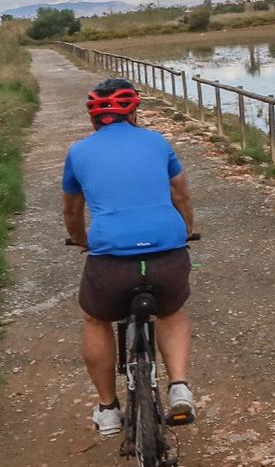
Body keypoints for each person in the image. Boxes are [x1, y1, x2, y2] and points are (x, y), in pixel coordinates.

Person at [61, 78, 198, 435]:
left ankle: (108, 409)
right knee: (171, 310)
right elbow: (180, 195)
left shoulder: (78, 153)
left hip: (111, 261)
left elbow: (72, 214)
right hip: (167, 252)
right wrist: (184, 231)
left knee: (95, 319)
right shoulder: (157, 142)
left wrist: (80, 242)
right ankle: (179, 387)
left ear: (93, 118)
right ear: (134, 112)